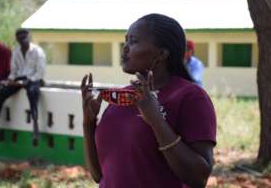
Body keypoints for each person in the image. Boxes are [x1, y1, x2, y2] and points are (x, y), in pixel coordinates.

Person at [81, 14, 216, 188]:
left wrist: (155, 120)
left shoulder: (190, 97)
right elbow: (99, 175)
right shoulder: (122, 97)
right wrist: (89, 124)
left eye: (134, 41)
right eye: (126, 41)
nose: (125, 48)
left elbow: (198, 179)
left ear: (161, 53)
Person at [0, 28, 46, 141]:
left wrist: (27, 81)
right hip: (19, 79)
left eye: (24, 37)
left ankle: (35, 126)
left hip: (33, 79)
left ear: (28, 37)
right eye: (20, 38)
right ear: (17, 39)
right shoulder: (16, 52)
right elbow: (14, 70)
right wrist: (10, 80)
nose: (22, 40)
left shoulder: (37, 51)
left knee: (32, 93)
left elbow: (40, 72)